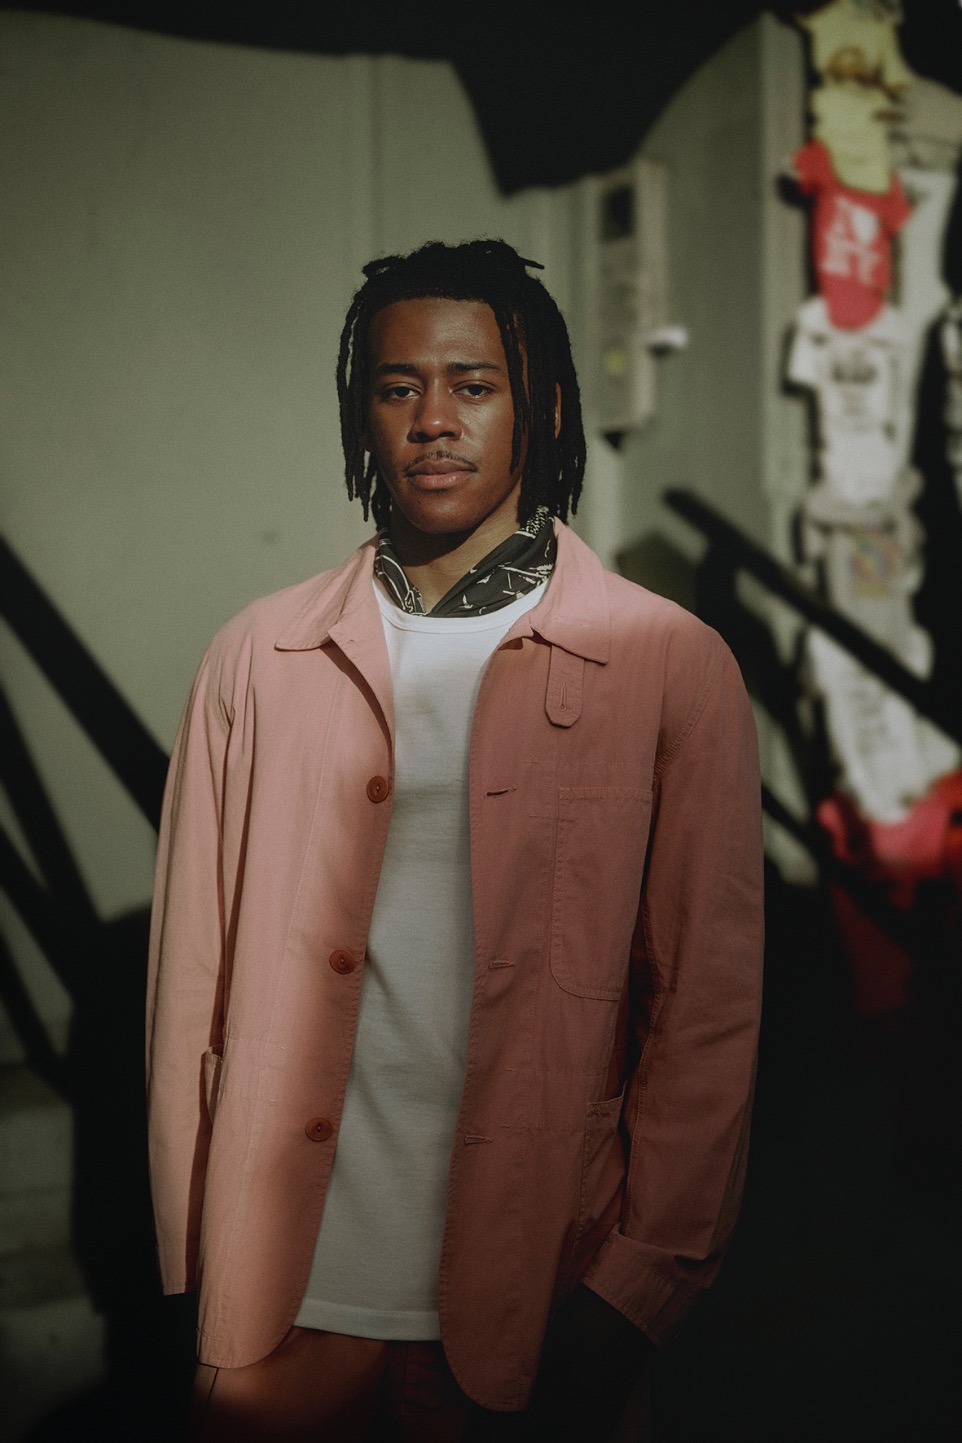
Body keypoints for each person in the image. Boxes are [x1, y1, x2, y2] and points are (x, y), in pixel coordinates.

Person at [146, 238, 764, 1442]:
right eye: (396, 386)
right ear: (361, 411)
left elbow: (705, 1008)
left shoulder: (667, 666)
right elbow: (190, 988)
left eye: (473, 385)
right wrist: (194, 1259)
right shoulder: (256, 657)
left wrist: (636, 1290)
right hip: (281, 1298)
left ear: (543, 408)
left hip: (534, 1305)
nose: (433, 420)